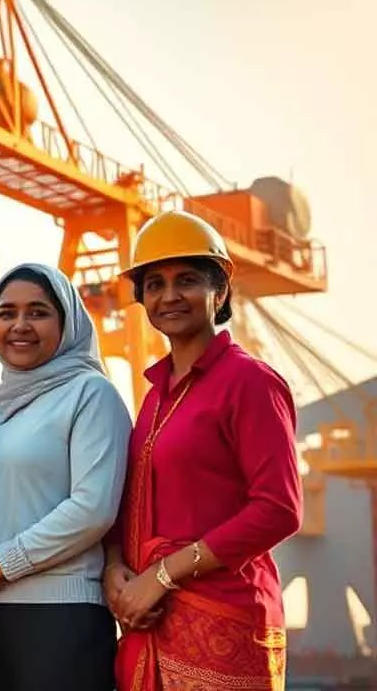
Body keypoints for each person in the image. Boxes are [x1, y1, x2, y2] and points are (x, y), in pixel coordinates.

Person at [105, 210, 302, 691]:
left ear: (220, 291)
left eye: (187, 280)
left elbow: (279, 509)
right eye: (154, 284)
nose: (169, 295)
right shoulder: (153, 395)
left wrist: (163, 576)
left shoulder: (251, 383)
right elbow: (129, 500)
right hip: (145, 624)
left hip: (223, 616)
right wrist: (114, 572)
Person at [0, 262, 131, 691]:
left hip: (59, 618)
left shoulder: (91, 394)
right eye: (6, 313)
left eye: (38, 312)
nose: (20, 325)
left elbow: (92, 509)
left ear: (68, 322)